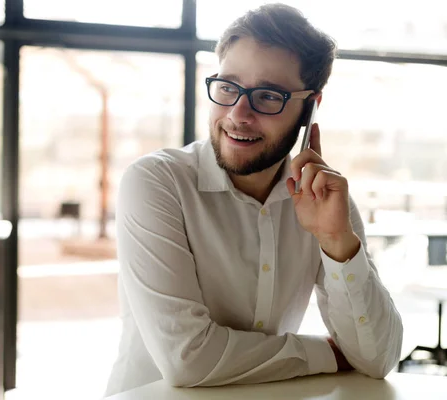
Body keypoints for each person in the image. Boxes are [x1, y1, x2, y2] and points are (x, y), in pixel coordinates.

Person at [105, 3, 403, 396]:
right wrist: (326, 354)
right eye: (227, 87)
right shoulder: (157, 183)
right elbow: (187, 358)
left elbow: (378, 358)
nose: (238, 113)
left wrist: (337, 244)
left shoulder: (324, 200)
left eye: (268, 96)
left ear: (310, 108)